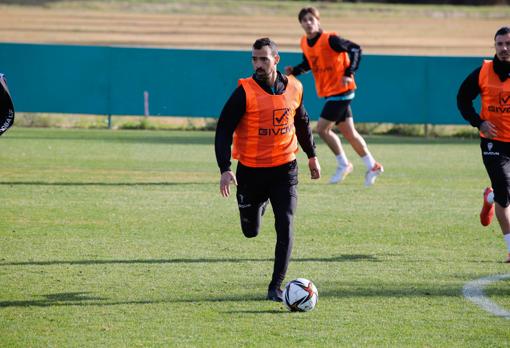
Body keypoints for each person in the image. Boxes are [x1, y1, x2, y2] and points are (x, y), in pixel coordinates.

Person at [215, 37, 321, 301]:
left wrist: (311, 155)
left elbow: (303, 121)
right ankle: (258, 204)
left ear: (276, 59)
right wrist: (225, 168)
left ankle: (276, 287)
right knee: (251, 231)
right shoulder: (244, 92)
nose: (258, 64)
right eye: (254, 59)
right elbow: (223, 130)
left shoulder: (295, 87)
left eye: (263, 58)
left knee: (285, 224)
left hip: (285, 169)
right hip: (250, 172)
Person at [285, 7, 383, 186]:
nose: (308, 23)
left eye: (311, 19)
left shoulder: (330, 39)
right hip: (331, 92)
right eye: (304, 20)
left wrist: (349, 72)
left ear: (318, 20)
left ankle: (343, 164)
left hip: (341, 91)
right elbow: (309, 63)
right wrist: (296, 71)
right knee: (349, 133)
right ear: (300, 24)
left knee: (322, 129)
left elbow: (355, 49)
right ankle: (372, 165)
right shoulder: (305, 43)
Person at [457, 26, 510, 264]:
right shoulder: (483, 72)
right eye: (499, 44)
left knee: (502, 194)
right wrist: (478, 122)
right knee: (505, 194)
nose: (504, 48)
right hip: (493, 143)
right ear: (494, 46)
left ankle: (489, 199)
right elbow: (462, 99)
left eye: (508, 43)